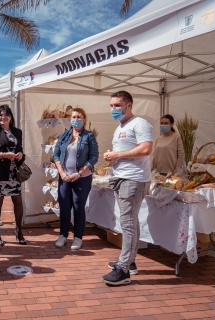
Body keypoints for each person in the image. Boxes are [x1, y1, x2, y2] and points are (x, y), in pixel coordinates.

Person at [102, 91, 153, 286]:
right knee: (130, 222)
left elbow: (146, 148)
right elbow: (124, 151)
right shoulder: (121, 126)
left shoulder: (139, 123)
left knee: (128, 224)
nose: (113, 109)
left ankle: (123, 270)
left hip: (133, 180)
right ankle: (129, 262)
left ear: (129, 105)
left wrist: (118, 155)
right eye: (111, 106)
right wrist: (113, 156)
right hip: (122, 179)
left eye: (117, 105)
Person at [53, 108, 99, 250]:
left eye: (79, 117)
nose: (76, 119)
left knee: (78, 207)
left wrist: (79, 173)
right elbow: (56, 155)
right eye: (73, 116)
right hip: (65, 177)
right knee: (64, 206)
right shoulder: (64, 135)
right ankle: (63, 235)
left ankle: (78, 237)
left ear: (84, 119)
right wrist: (61, 173)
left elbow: (94, 157)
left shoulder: (89, 136)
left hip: (82, 178)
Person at [0, 105, 27, 246]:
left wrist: (20, 154)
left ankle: (19, 231)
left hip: (14, 173)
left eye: (6, 115)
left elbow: (19, 149)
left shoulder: (17, 132)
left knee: (18, 201)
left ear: (10, 117)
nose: (3, 117)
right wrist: (3, 155)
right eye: (1, 115)